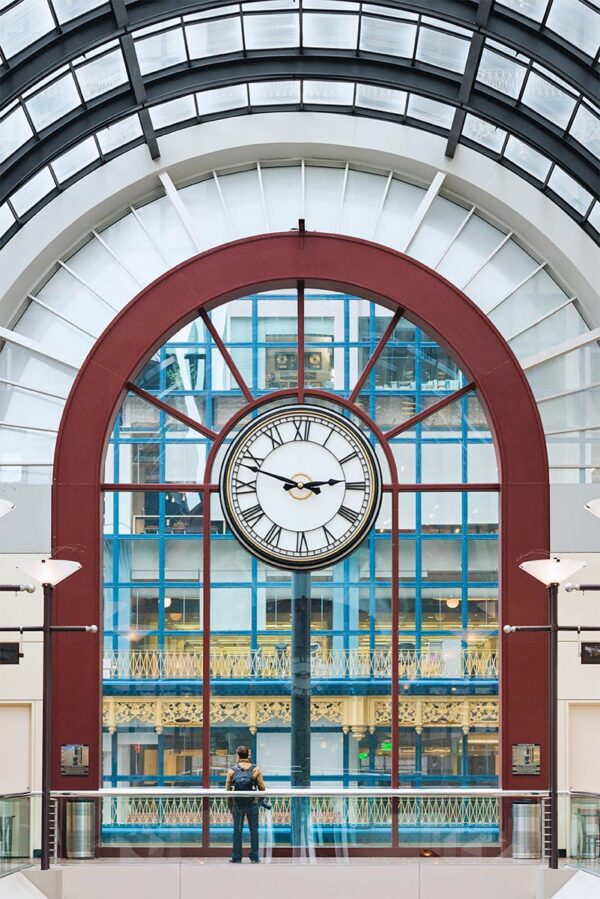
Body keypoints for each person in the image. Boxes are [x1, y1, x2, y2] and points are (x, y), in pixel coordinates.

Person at [226, 745, 267, 863]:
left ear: (238, 755)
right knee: (254, 830)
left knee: (237, 830)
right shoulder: (256, 769)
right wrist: (260, 801)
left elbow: (228, 789)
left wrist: (230, 806)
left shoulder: (232, 770)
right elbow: (262, 787)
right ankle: (254, 857)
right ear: (248, 755)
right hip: (252, 803)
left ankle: (236, 857)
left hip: (237, 803)